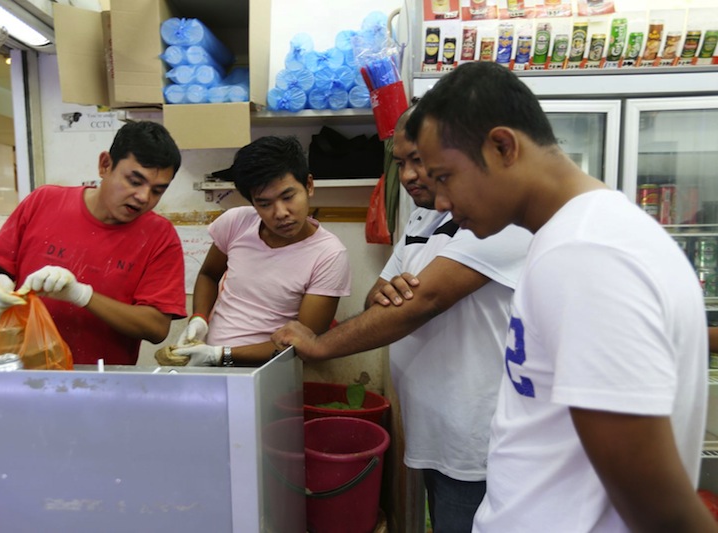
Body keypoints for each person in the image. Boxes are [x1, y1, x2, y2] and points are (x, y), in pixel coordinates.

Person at [404, 61, 714, 532]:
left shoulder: (586, 253)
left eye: (444, 177)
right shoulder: (570, 237)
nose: (440, 202)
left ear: (502, 146)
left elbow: (656, 502)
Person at [271, 109, 532, 532]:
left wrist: (319, 345)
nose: (410, 176)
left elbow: (421, 300)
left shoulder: (496, 218)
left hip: (479, 436)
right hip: (433, 426)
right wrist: (393, 299)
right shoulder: (422, 216)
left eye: (421, 161)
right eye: (400, 163)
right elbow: (382, 296)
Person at [0, 121, 186, 366]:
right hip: (26, 371)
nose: (144, 197)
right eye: (134, 181)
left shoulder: (160, 237)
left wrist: (81, 295)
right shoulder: (44, 202)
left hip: (102, 380)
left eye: (157, 191)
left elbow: (156, 327)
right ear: (105, 165)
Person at [170, 135, 351, 367]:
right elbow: (208, 275)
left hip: (270, 372)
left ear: (308, 185)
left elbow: (304, 344)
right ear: (253, 203)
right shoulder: (236, 222)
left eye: (288, 197)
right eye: (264, 204)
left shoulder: (329, 255)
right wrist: (199, 318)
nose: (281, 213)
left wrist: (220, 355)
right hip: (209, 362)